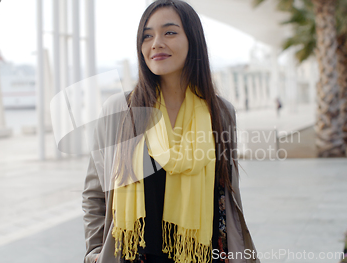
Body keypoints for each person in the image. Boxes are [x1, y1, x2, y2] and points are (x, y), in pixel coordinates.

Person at [82, 1, 261, 263]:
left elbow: (226, 194)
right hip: (135, 256)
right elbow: (95, 191)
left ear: (193, 40)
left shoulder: (220, 112)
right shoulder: (121, 110)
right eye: (147, 35)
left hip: (204, 255)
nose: (156, 43)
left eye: (169, 32)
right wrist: (95, 251)